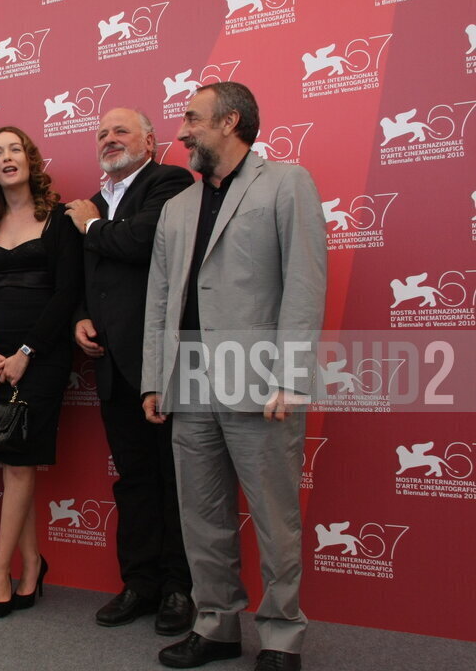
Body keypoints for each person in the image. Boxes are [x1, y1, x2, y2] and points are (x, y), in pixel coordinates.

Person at [142, 82, 326, 671]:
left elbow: (304, 282)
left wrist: (293, 376)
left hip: (260, 378)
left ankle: (280, 637)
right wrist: (155, 379)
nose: (182, 132)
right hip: (189, 379)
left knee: (275, 519)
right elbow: (160, 300)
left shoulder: (286, 182)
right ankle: (216, 626)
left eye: (192, 119)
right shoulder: (177, 208)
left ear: (230, 121)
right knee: (202, 516)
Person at [65, 108, 195, 634]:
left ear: (149, 140)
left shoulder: (170, 182)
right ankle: (139, 584)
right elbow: (79, 276)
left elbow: (141, 243)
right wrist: (79, 319)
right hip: (114, 368)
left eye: (121, 131)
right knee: (134, 481)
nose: (110, 139)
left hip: (164, 366)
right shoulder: (91, 204)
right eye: (102, 133)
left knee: (175, 480)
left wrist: (90, 225)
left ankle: (180, 589)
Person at [0, 126, 82, 617]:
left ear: (31, 161)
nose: (7, 157)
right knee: (15, 462)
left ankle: (0, 568)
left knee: (18, 465)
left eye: (15, 149)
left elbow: (65, 294)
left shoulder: (58, 219)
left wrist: (25, 353)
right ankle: (33, 563)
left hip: (42, 357)